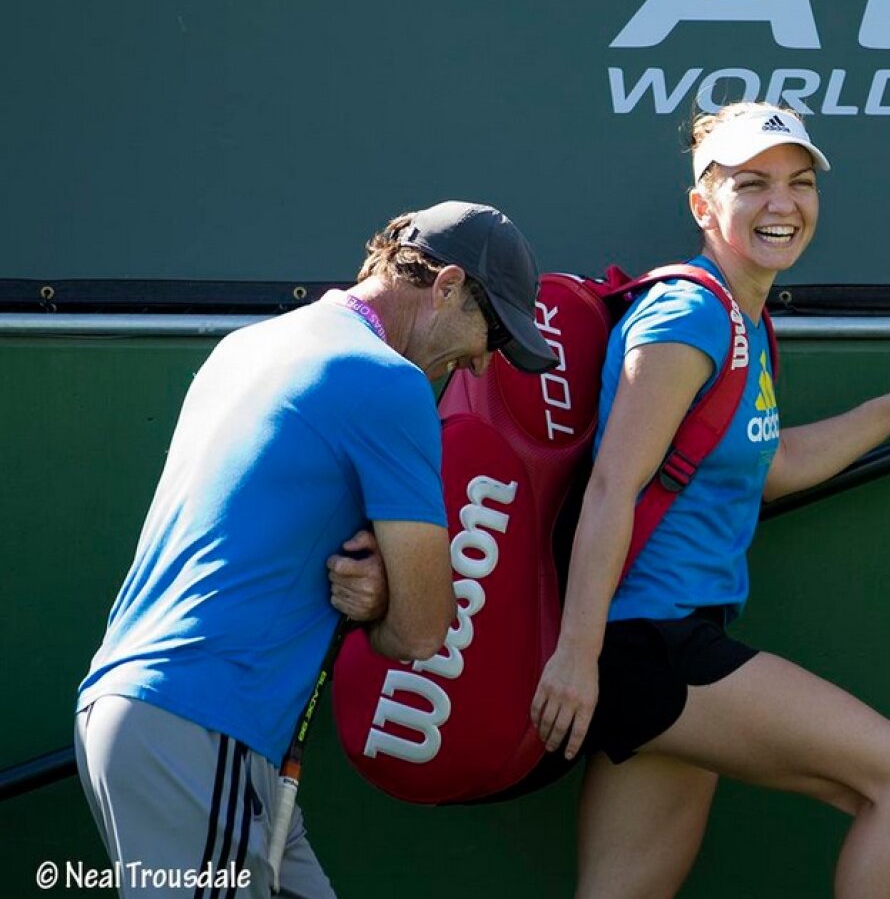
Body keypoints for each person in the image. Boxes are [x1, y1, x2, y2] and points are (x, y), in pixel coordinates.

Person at [529, 103, 890, 899]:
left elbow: (771, 461)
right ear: (703, 205)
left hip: (661, 640)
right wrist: (576, 656)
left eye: (800, 182)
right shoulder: (689, 314)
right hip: (650, 643)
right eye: (753, 184)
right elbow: (615, 482)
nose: (783, 204)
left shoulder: (741, 316)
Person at [75, 201, 557, 897]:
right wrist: (391, 595)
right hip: (200, 728)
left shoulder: (248, 345)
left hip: (160, 722)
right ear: (447, 285)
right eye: (493, 330)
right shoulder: (387, 383)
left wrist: (381, 588)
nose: (483, 362)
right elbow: (422, 629)